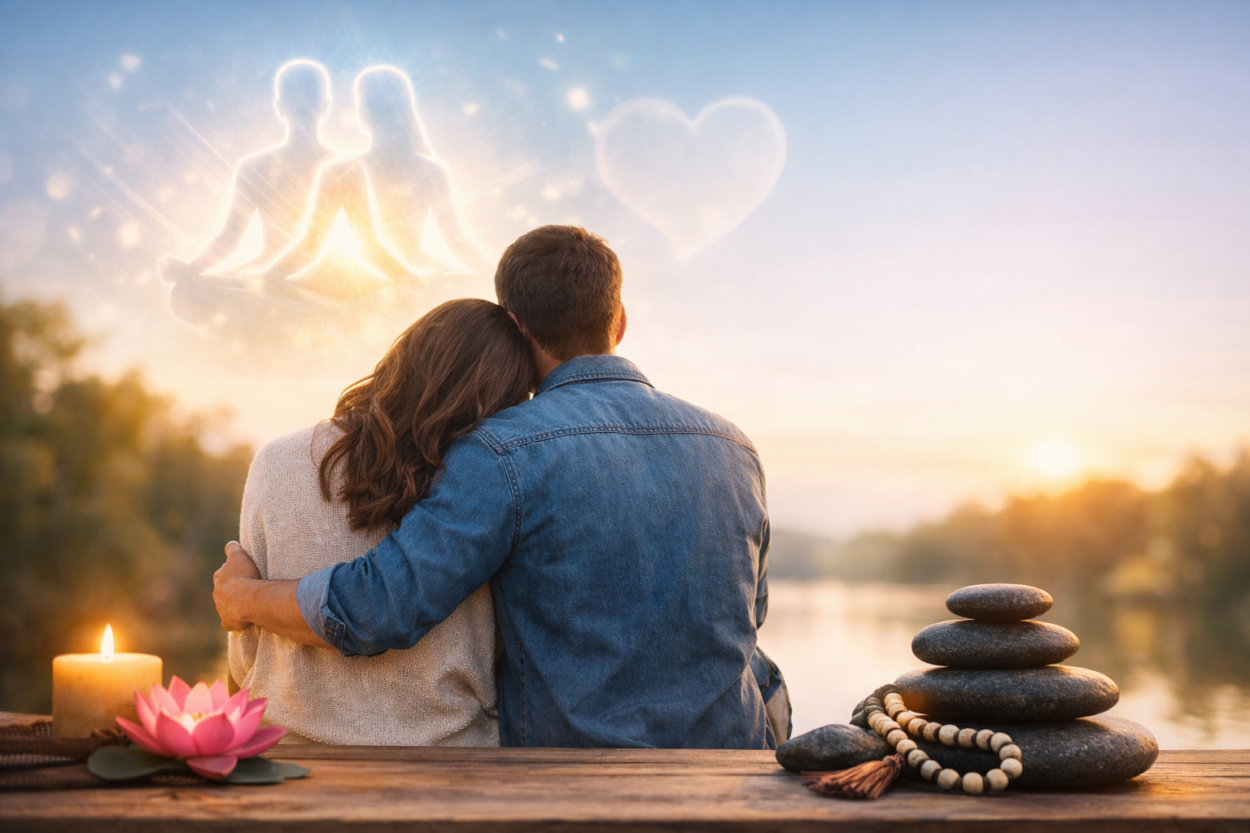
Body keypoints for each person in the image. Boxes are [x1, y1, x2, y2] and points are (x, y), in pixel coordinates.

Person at [214, 225, 791, 748]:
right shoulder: (735, 447)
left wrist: (244, 598)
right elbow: (750, 613)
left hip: (573, 777)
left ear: (515, 328)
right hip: (730, 761)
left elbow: (381, 606)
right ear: (619, 320)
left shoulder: (502, 450)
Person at [228, 299, 534, 745]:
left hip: (288, 755)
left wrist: (244, 599)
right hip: (455, 762)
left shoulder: (276, 462)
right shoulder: (489, 484)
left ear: (406, 356)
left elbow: (245, 655)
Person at [257, 65, 492, 302]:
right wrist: (493, 276)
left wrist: (266, 279)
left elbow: (312, 246)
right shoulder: (431, 171)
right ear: (407, 111)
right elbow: (457, 242)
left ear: (362, 115)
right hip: (393, 284)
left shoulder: (343, 171)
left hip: (381, 287)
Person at [161, 60, 341, 337]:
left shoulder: (340, 167)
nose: (302, 108)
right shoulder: (256, 167)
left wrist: (259, 279)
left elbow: (312, 248)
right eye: (298, 101)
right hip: (270, 281)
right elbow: (230, 237)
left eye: (306, 101)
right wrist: (191, 271)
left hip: (319, 280)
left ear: (279, 106)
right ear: (326, 105)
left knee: (209, 292)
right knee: (184, 292)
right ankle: (304, 318)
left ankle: (298, 318)